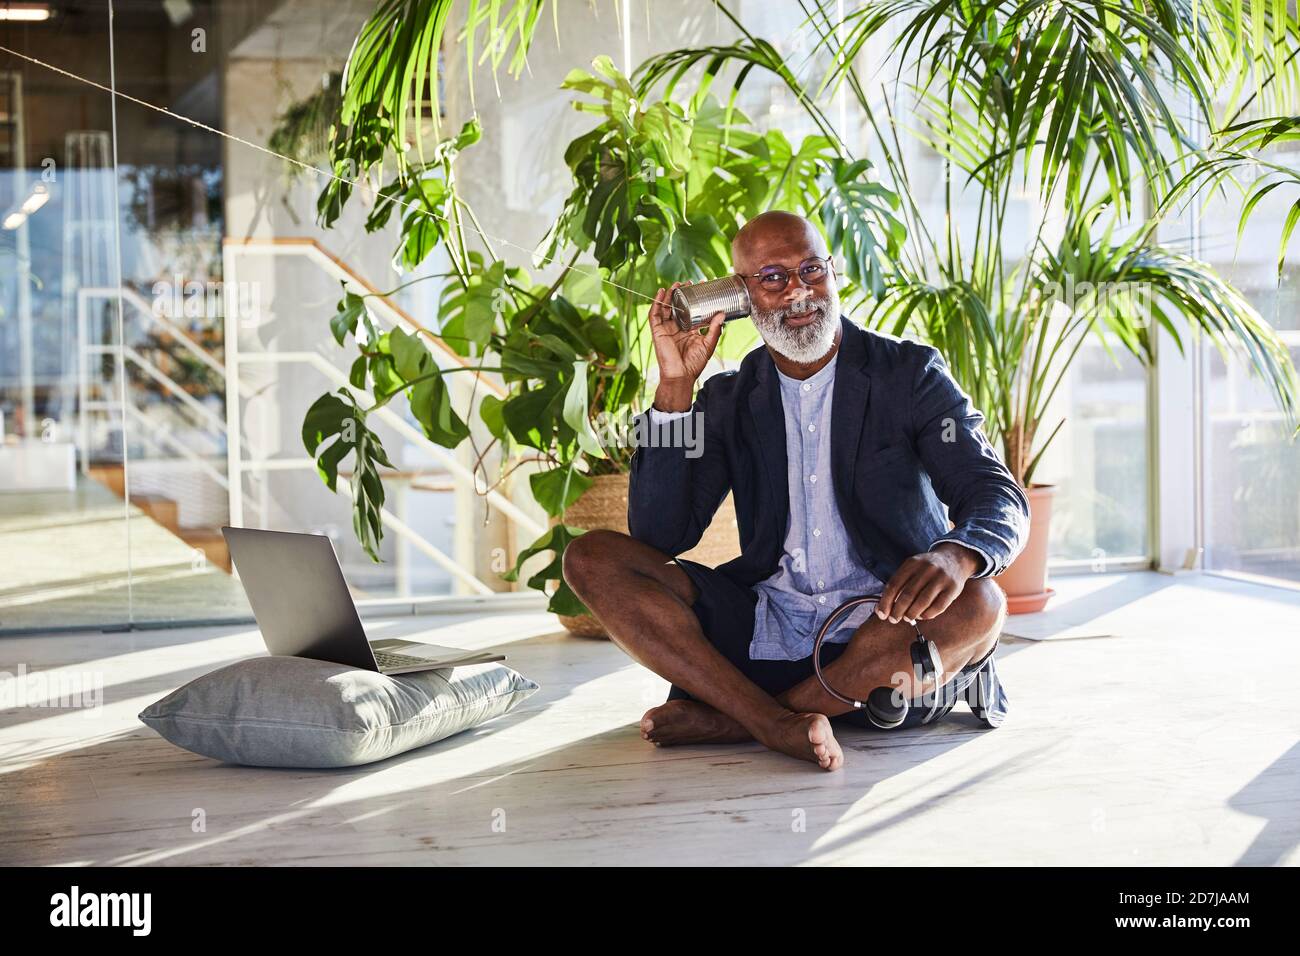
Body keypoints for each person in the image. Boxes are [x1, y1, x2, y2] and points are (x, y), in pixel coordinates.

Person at [562, 211, 1030, 771]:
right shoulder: (728, 397)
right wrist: (674, 391)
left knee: (981, 601)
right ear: (740, 296)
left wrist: (956, 554)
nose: (800, 291)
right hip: (769, 625)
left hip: (889, 632)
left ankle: (742, 718)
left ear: (832, 273)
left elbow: (995, 493)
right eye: (773, 277)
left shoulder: (908, 374)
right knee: (591, 557)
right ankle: (776, 721)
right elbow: (662, 533)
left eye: (812, 269)